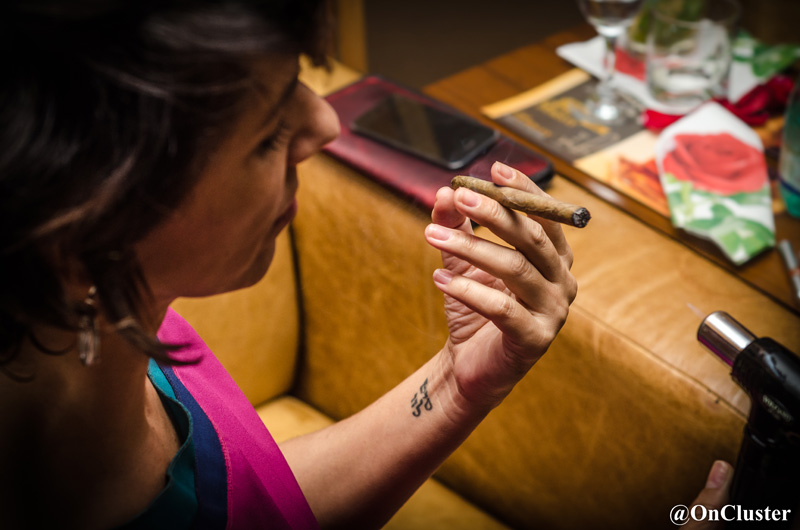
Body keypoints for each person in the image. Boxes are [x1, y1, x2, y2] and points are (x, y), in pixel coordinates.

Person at [0, 1, 731, 528]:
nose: (324, 123)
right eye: (266, 134)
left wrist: (456, 383)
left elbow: (245, 504)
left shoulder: (113, 316)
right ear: (87, 219)